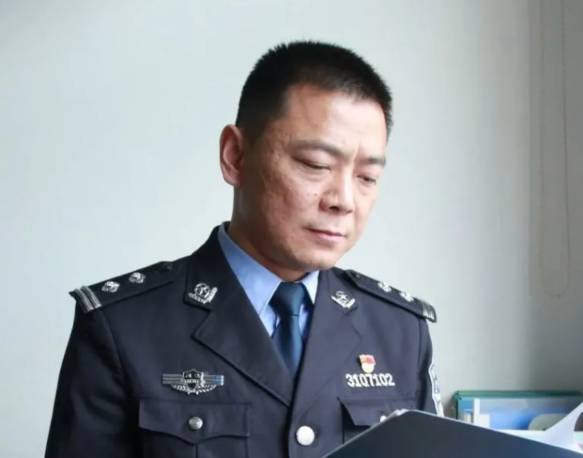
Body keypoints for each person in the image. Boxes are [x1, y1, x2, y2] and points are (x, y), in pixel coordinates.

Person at [44, 40, 443, 458]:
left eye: (367, 177)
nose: (343, 200)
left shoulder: (401, 331)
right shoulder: (122, 326)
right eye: (316, 165)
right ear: (235, 156)